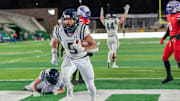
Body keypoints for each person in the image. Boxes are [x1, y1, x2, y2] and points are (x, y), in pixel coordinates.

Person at [51, 8, 98, 101]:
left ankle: (93, 99)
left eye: (70, 19)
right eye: (66, 19)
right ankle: (70, 90)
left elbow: (95, 46)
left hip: (83, 59)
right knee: (64, 77)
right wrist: (54, 55)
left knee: (90, 84)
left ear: (75, 20)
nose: (67, 22)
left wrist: (83, 48)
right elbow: (54, 42)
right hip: (69, 58)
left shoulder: (82, 29)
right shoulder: (59, 30)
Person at [70, 5, 92, 85]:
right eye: (86, 13)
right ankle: (74, 78)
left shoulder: (79, 20)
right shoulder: (81, 21)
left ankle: (80, 78)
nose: (88, 15)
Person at [160, 0, 180, 84]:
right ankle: (169, 76)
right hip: (172, 40)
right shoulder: (169, 16)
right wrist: (163, 38)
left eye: (171, 8)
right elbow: (169, 29)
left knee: (178, 59)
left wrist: (177, 37)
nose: (169, 9)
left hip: (178, 40)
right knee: (165, 57)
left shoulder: (178, 16)